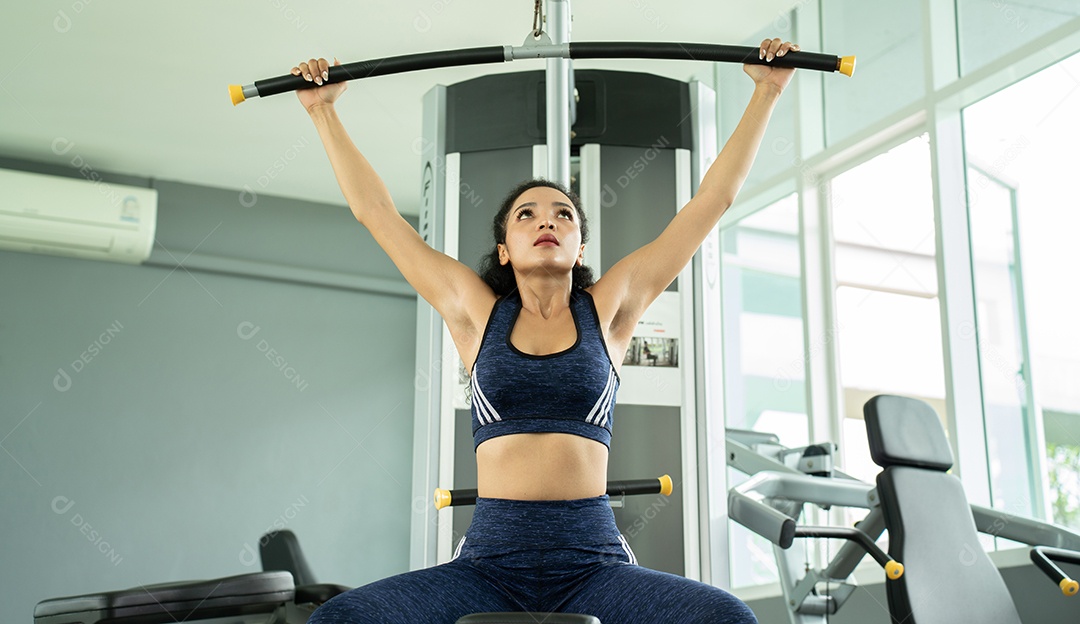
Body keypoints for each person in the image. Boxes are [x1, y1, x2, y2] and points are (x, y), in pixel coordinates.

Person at [290, 38, 799, 624]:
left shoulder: (609, 308)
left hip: (594, 565)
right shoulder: (475, 311)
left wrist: (765, 91)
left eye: (563, 215)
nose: (547, 222)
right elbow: (376, 213)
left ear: (581, 244)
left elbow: (712, 200)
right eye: (526, 215)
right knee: (341, 619)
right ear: (504, 250)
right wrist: (322, 110)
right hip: (487, 566)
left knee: (725, 618)